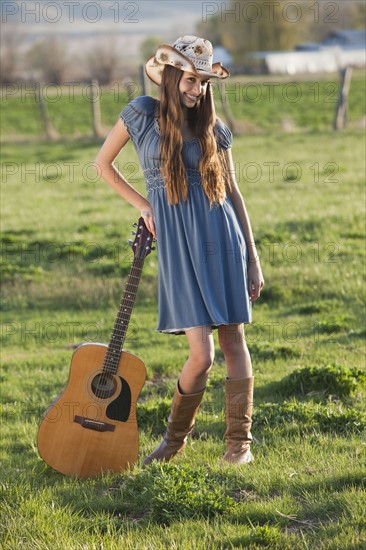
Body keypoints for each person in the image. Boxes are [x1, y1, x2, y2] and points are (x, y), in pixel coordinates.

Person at [94, 35, 264, 466]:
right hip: (176, 244)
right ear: (171, 77)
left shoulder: (213, 128)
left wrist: (252, 256)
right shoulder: (141, 113)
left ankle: (238, 446)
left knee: (232, 340)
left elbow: (234, 194)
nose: (197, 90)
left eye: (204, 83)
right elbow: (103, 166)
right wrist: (144, 205)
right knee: (200, 355)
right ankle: (173, 443)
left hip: (221, 237)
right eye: (191, 80)